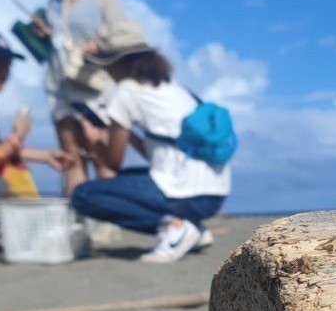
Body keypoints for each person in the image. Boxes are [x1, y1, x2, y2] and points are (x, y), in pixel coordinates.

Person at [59, 23, 228, 264]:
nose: (107, 72)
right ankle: (193, 230)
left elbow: (113, 162)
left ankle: (174, 227)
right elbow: (162, 151)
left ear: (118, 63)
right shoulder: (177, 89)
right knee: (127, 180)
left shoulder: (126, 91)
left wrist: (97, 141)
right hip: (213, 194)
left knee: (84, 196)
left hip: (183, 193)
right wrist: (130, 137)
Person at [30, 0, 126, 195]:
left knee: (101, 156)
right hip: (60, 85)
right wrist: (41, 30)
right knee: (71, 155)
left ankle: (108, 219)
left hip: (93, 84)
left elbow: (120, 32)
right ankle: (79, 221)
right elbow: (57, 34)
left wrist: (97, 44)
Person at [0, 31, 61, 249]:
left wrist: (45, 156)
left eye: (6, 65)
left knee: (13, 173)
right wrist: (18, 136)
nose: (3, 72)